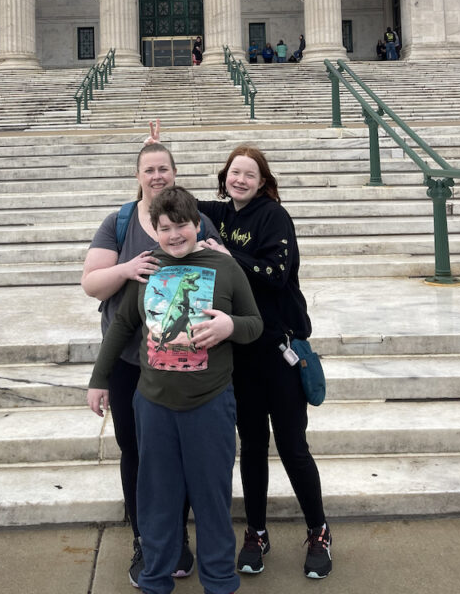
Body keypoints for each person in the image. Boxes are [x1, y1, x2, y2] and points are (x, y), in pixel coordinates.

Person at [88, 186, 263, 594]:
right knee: (158, 501)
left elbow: (255, 322)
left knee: (212, 499)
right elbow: (122, 327)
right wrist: (99, 378)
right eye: (164, 228)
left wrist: (229, 326)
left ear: (197, 224)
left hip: (210, 403)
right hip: (154, 404)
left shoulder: (225, 267)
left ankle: (219, 581)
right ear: (155, 231)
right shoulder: (147, 268)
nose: (174, 235)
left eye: (181, 225)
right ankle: (155, 578)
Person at [81, 138, 220, 586]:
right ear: (138, 175)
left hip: (177, 360)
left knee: (174, 455)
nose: (157, 176)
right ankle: (145, 538)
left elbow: (224, 272)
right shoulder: (119, 222)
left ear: (174, 174)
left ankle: (175, 537)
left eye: (164, 169)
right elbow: (91, 284)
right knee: (136, 452)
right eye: (149, 169)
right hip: (127, 360)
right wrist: (126, 269)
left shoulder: (193, 219)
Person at [194, 145, 333, 580]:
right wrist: (151, 163)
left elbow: (277, 272)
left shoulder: (273, 216)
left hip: (279, 351)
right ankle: (255, 532)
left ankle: (319, 531)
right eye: (234, 172)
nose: (240, 180)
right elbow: (166, 197)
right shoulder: (219, 215)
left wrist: (227, 255)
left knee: (292, 446)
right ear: (224, 176)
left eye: (249, 175)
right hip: (241, 355)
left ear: (262, 181)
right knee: (252, 447)